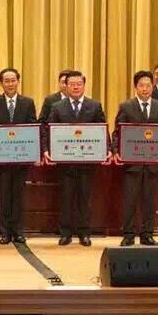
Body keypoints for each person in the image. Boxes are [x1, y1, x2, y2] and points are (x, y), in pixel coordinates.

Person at [48, 71, 106, 246]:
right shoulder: (57, 107)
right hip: (65, 162)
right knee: (66, 198)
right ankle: (65, 233)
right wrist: (46, 150)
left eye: (79, 84)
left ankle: (84, 233)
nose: (75, 87)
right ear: (66, 86)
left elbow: (102, 129)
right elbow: (48, 130)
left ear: (84, 85)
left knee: (84, 199)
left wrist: (108, 149)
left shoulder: (94, 106)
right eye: (72, 84)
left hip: (87, 162)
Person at [113, 70, 158, 246]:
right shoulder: (126, 107)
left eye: (148, 85)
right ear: (135, 88)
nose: (145, 89)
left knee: (149, 200)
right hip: (132, 163)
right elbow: (117, 133)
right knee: (130, 200)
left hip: (153, 162)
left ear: (152, 87)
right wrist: (116, 151)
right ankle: (128, 234)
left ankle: (147, 234)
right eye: (141, 85)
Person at [0, 68, 37, 244]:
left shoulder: (28, 103)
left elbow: (32, 127)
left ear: (18, 81)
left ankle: (18, 231)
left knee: (19, 196)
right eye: (6, 81)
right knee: (4, 196)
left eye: (13, 80)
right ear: (1, 83)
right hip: (1, 160)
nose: (10, 84)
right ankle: (5, 232)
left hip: (22, 159)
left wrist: (34, 153)